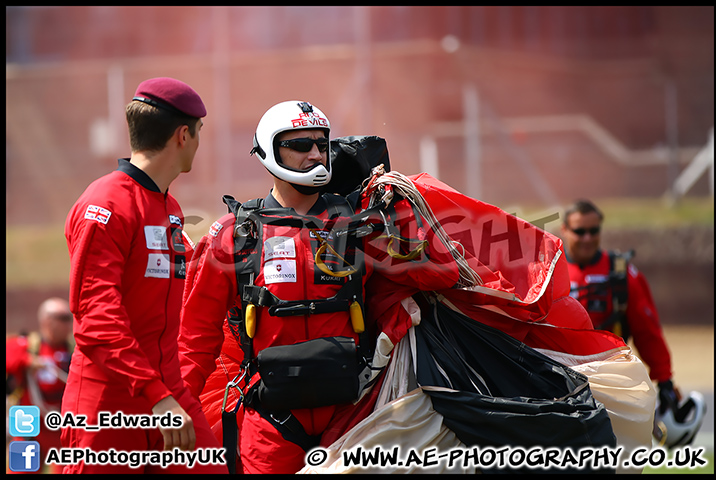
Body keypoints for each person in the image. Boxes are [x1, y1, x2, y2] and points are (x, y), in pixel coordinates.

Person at [177, 100, 459, 474]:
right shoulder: (236, 234)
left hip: (355, 413)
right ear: (269, 150)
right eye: (300, 145)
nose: (315, 154)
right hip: (272, 419)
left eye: (320, 145)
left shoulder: (361, 224)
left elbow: (443, 275)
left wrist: (401, 216)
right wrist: (176, 406)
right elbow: (195, 336)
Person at [61, 77, 227, 473]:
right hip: (108, 406)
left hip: (168, 393)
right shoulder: (105, 204)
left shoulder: (169, 206)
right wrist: (157, 397)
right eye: (200, 132)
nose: (200, 144)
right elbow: (97, 319)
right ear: (183, 135)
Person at [559, 199, 681, 412]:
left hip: (610, 381)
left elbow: (647, 331)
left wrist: (665, 380)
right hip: (558, 379)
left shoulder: (622, 275)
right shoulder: (549, 272)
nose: (587, 238)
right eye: (580, 231)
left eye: (593, 230)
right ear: (565, 230)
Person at [6, 297, 73, 474]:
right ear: (47, 320)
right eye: (63, 318)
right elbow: (9, 357)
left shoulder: (72, 352)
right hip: (28, 425)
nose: (68, 324)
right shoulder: (29, 345)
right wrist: (27, 361)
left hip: (60, 427)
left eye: (69, 318)